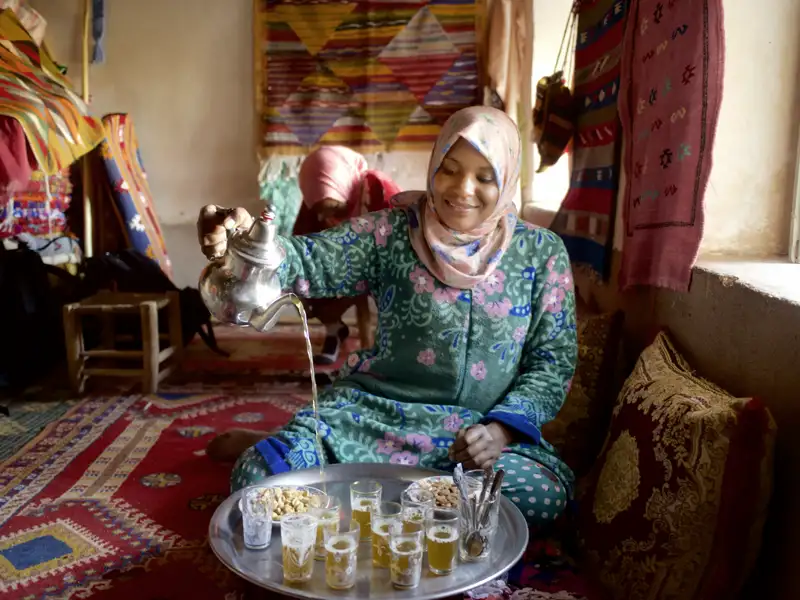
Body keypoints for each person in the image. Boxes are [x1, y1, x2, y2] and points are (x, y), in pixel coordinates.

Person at [197, 107, 577, 527]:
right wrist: (249, 237)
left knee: (542, 496)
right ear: (434, 165)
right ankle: (407, 507)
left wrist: (501, 432)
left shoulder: (541, 254)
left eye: (484, 177)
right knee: (258, 479)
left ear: (506, 177)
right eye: (449, 169)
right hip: (371, 420)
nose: (462, 189)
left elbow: (552, 361)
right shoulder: (392, 232)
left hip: (474, 441)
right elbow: (309, 260)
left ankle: (358, 502)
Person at [295, 146, 401, 365]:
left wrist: (366, 274)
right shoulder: (318, 196)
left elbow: (401, 242)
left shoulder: (379, 191)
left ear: (342, 185)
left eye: (331, 208)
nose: (324, 216)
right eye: (319, 210)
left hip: (384, 263)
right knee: (311, 296)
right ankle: (335, 331)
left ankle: (384, 351)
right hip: (343, 266)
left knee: (394, 301)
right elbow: (301, 246)